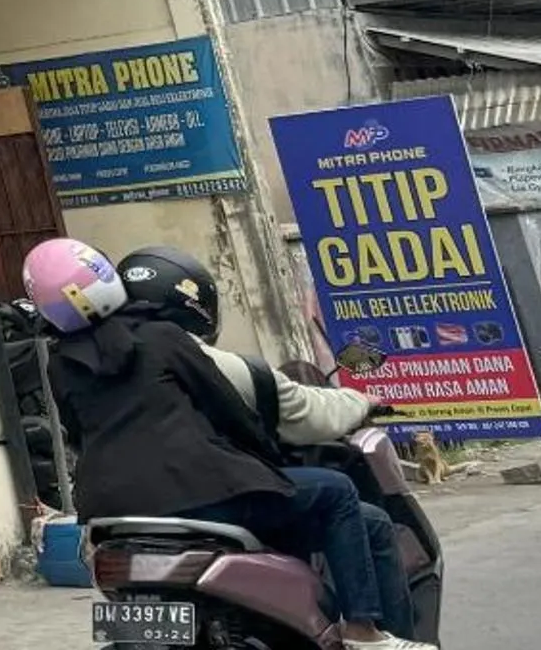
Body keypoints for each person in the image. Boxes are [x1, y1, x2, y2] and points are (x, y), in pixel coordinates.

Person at [26, 240, 432, 650]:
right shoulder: (164, 337)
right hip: (198, 492)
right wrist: (263, 463)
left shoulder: (61, 364)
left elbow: (77, 434)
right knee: (337, 491)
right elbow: (227, 411)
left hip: (110, 512)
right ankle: (365, 633)